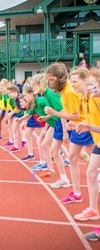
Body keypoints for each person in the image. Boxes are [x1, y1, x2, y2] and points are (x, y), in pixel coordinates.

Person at [44, 63, 94, 196]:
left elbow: (77, 114)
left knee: (93, 162)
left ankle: (89, 189)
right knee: (72, 157)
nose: (49, 83)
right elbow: (71, 110)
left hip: (86, 127)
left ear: (60, 78)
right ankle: (76, 192)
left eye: (52, 80)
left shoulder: (69, 91)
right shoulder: (64, 90)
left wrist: (55, 113)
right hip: (78, 125)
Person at [73, 68, 100, 238]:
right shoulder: (88, 98)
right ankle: (93, 209)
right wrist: (85, 124)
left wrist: (89, 127)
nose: (90, 87)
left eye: (92, 84)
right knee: (91, 173)